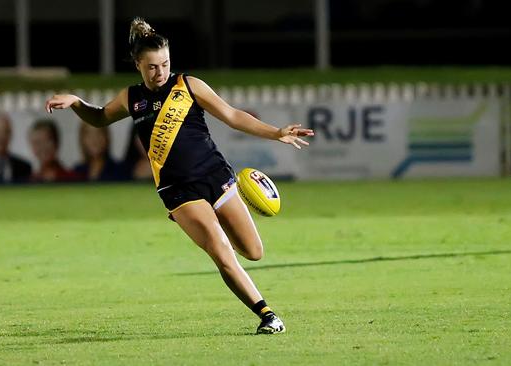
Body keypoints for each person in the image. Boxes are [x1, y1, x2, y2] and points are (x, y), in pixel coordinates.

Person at [45, 17, 313, 334]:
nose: (160, 72)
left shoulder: (188, 85)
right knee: (221, 251)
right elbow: (101, 118)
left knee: (253, 252)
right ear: (138, 65)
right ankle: (268, 315)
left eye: (165, 64)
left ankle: (235, 258)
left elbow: (232, 115)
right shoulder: (131, 98)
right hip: (178, 190)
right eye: (152, 67)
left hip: (216, 176)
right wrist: (77, 102)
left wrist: (275, 133)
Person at [28, 118, 80, 183]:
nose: (43, 147)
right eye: (37, 143)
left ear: (56, 142)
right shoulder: (30, 180)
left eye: (47, 141)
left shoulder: (73, 178)